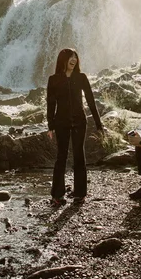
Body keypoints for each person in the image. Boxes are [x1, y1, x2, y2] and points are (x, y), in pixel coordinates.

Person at [46, 48, 103, 206]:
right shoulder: (53, 79)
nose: (73, 59)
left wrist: (98, 123)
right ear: (63, 60)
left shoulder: (81, 77)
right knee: (61, 157)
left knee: (79, 156)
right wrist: (50, 125)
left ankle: (80, 194)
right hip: (61, 121)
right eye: (70, 57)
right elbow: (51, 104)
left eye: (75, 57)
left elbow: (90, 100)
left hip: (79, 121)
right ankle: (57, 195)